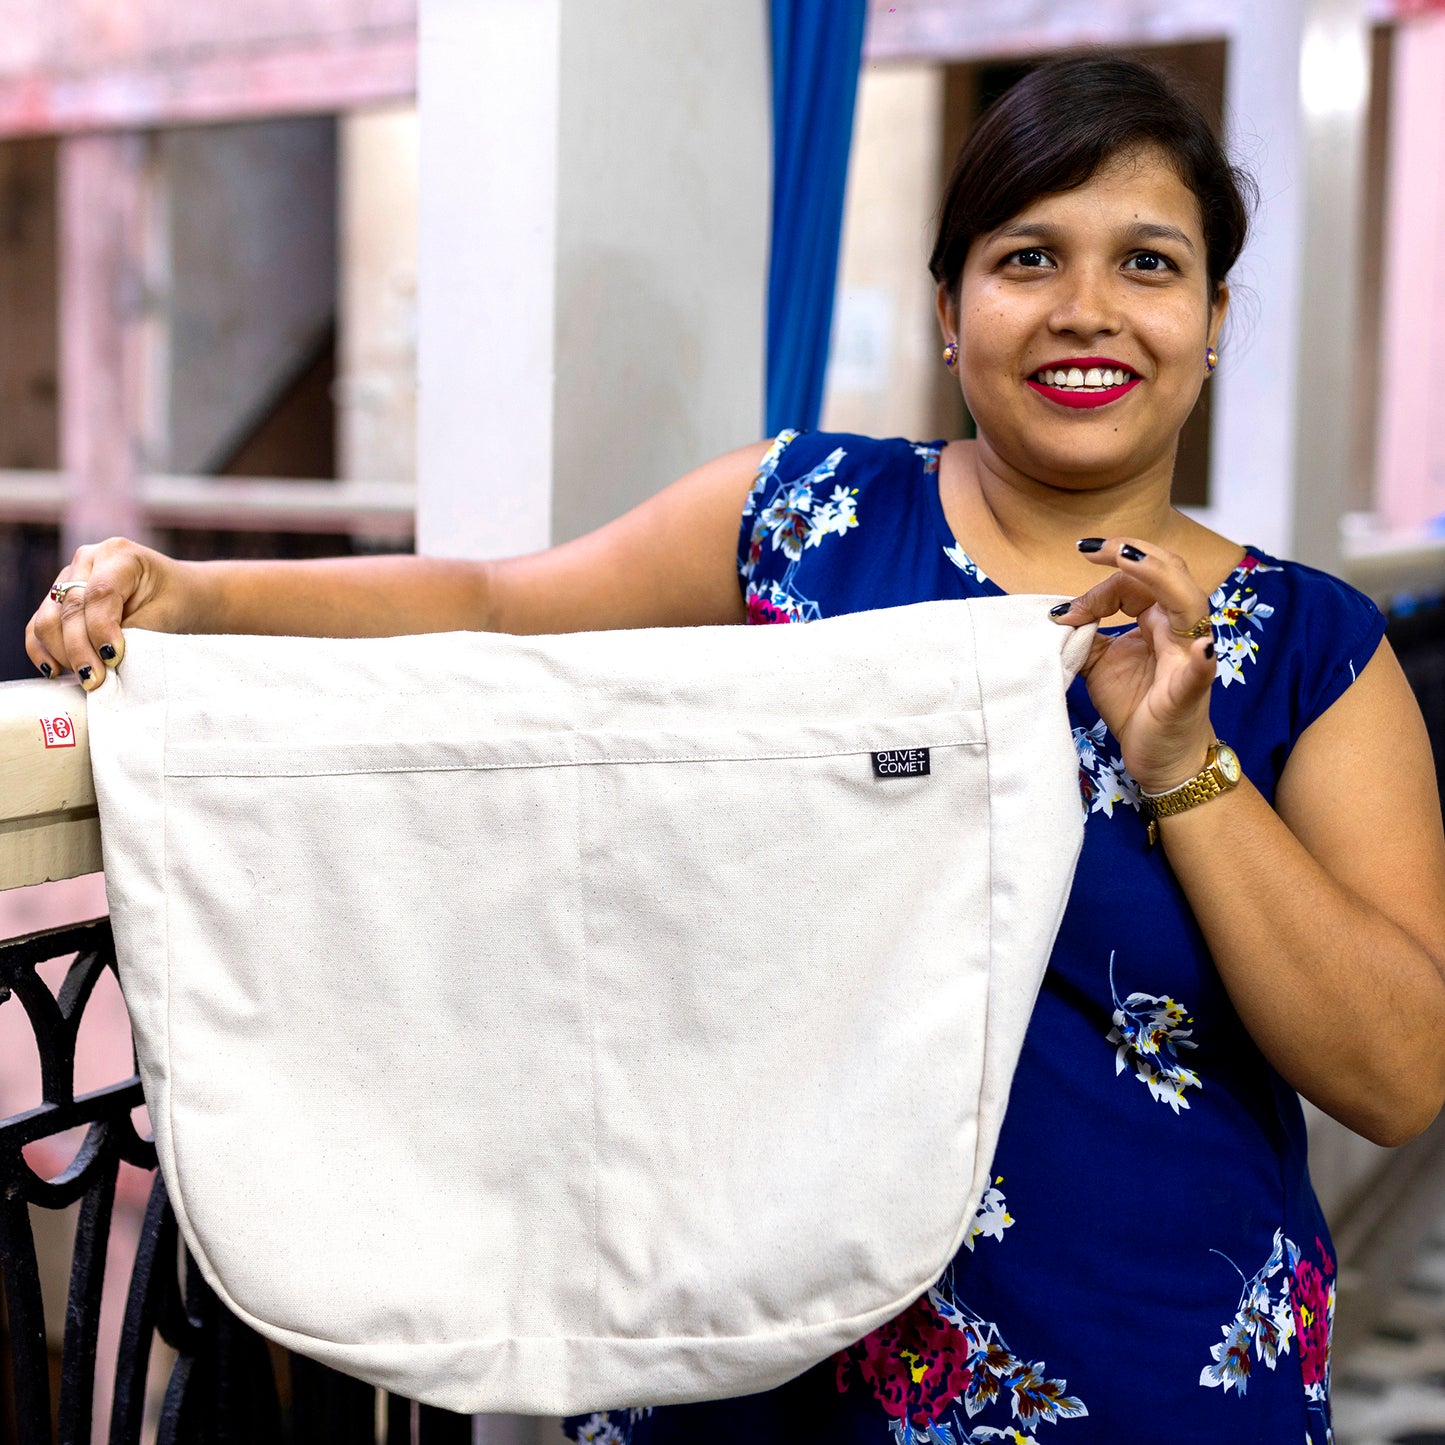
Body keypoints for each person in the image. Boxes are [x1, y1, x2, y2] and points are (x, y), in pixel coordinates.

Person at [26, 55, 1445, 1443]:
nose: (1087, 311)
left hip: (1144, 1368)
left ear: (1209, 319)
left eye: (1146, 263)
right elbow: (498, 607)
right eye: (1027, 259)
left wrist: (1184, 766)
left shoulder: (1303, 649)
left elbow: (1395, 1076)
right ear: (950, 311)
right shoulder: (806, 520)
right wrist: (202, 593)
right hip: (747, 1344)